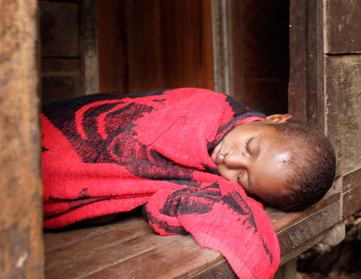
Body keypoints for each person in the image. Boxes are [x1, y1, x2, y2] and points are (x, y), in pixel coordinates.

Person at [41, 87, 335, 279]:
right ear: (276, 119)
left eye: (242, 177)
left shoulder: (215, 178)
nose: (230, 160)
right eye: (250, 147)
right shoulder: (209, 108)